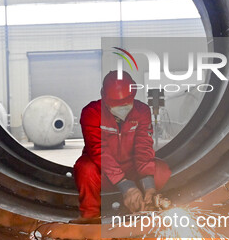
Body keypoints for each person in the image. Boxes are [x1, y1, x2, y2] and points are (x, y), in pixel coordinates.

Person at [71, 70, 171, 224]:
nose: (123, 107)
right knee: (85, 169)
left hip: (132, 169)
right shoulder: (91, 113)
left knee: (161, 170)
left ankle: (143, 203)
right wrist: (125, 185)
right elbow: (99, 151)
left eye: (127, 102)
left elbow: (143, 148)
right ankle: (90, 218)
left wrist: (149, 186)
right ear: (104, 97)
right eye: (117, 104)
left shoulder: (142, 111)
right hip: (103, 172)